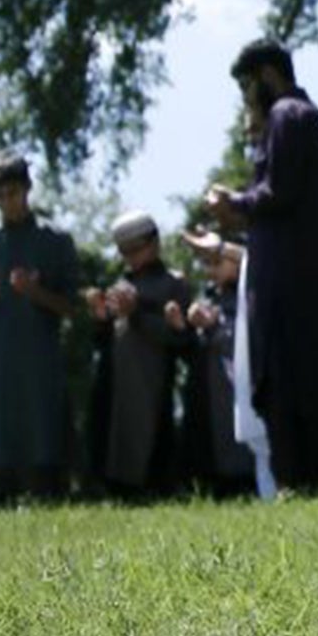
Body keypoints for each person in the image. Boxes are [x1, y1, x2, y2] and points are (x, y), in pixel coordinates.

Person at [205, 38, 318, 492]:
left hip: (286, 287)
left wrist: (233, 202)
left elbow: (278, 191)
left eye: (248, 86)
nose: (247, 99)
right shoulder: (307, 119)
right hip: (303, 281)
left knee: (286, 385)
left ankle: (298, 486)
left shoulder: (288, 116)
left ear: (268, 75)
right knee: (306, 385)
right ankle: (312, 487)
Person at [0, 151, 78, 507]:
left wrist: (35, 292)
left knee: (43, 438)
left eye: (12, 193)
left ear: (27, 189)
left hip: (40, 363)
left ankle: (49, 497)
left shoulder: (55, 242)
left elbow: (71, 306)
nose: (7, 202)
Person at [85, 210, 197, 500]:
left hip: (154, 379)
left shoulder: (174, 283)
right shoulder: (120, 284)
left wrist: (136, 314)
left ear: (154, 242)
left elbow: (180, 338)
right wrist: (100, 317)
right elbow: (104, 339)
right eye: (125, 251)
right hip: (117, 379)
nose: (131, 257)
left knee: (152, 439)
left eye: (137, 249)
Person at [171, 235, 264, 499]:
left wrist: (213, 326)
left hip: (238, 400)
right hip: (208, 403)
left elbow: (244, 343)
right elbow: (196, 350)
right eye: (205, 263)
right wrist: (183, 329)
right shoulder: (210, 298)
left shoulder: (250, 298)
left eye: (216, 262)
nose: (209, 270)